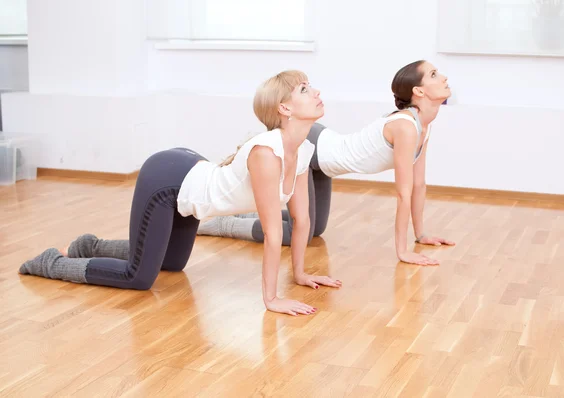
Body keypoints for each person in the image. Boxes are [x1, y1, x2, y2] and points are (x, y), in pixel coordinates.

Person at [18, 70, 342, 316]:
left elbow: (302, 222)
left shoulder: (301, 150)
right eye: (304, 89)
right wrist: (271, 299)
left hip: (189, 182)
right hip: (167, 181)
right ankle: (50, 263)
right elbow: (273, 234)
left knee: (172, 263)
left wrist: (300, 274)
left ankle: (87, 245)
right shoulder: (267, 153)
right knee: (139, 277)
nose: (316, 92)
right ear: (285, 108)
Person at [196, 60, 455, 266]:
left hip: (326, 157)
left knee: (315, 229)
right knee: (299, 232)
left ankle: (243, 214)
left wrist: (421, 235)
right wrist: (403, 251)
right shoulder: (406, 127)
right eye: (434, 74)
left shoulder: (423, 127)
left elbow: (418, 185)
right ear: (418, 91)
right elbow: (403, 192)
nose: (443, 77)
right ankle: (223, 223)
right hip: (316, 147)